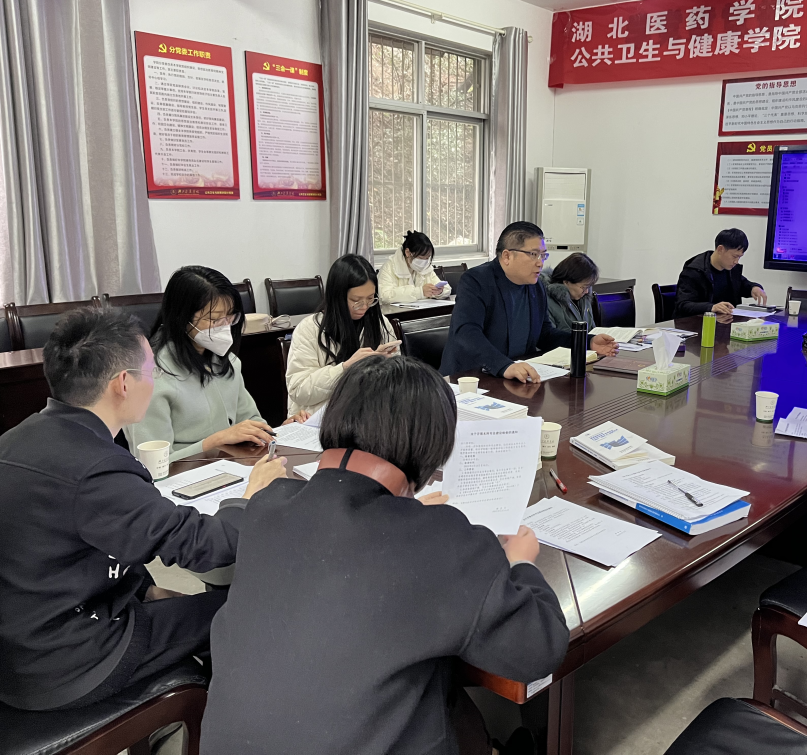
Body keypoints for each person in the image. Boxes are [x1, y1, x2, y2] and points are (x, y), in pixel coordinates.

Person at [200, 355, 569, 755]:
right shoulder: (443, 539)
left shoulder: (266, 506)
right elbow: (539, 649)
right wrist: (520, 562)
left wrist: (405, 515)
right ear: (434, 447)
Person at [0, 308, 286, 711]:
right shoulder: (97, 468)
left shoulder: (18, 439)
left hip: (22, 644)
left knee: (189, 605)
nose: (154, 382)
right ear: (123, 383)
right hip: (68, 660)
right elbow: (206, 546)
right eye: (151, 371)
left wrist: (145, 590)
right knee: (246, 607)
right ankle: (232, 721)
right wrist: (253, 496)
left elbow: (76, 542)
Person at [125, 266, 307, 462]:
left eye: (230, 316)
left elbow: (251, 421)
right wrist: (215, 441)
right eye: (214, 319)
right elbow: (152, 464)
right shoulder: (150, 376)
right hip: (185, 475)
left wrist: (277, 432)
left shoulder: (227, 362)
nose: (225, 325)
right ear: (182, 317)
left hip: (231, 466)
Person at [439, 222, 617, 381]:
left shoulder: (536, 286)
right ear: (507, 256)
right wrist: (504, 366)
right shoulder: (477, 280)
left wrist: (587, 342)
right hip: (470, 378)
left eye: (543, 255)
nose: (540, 263)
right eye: (533, 254)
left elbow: (545, 335)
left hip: (517, 375)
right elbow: (467, 332)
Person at [286, 254, 398, 415]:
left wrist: (385, 365)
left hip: (370, 415)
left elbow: (396, 384)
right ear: (337, 296)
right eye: (356, 300)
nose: (364, 306)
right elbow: (299, 391)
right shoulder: (309, 329)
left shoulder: (381, 324)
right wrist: (346, 368)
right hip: (321, 419)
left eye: (370, 298)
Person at [673, 228, 768, 318]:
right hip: (696, 324)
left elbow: (743, 284)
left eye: (739, 257)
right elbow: (683, 305)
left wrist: (754, 288)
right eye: (734, 256)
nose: (736, 261)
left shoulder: (730, 269)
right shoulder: (694, 271)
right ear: (720, 249)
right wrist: (711, 307)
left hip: (724, 322)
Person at [377, 230, 452, 304]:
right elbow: (385, 296)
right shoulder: (389, 267)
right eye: (421, 258)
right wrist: (420, 292)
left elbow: (446, 289)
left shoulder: (426, 268)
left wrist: (439, 292)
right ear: (408, 253)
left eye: (427, 258)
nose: (424, 262)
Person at [539, 251, 600, 332]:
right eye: (584, 287)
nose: (586, 291)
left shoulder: (584, 299)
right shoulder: (546, 301)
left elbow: (592, 329)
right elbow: (548, 336)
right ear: (566, 282)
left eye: (589, 287)